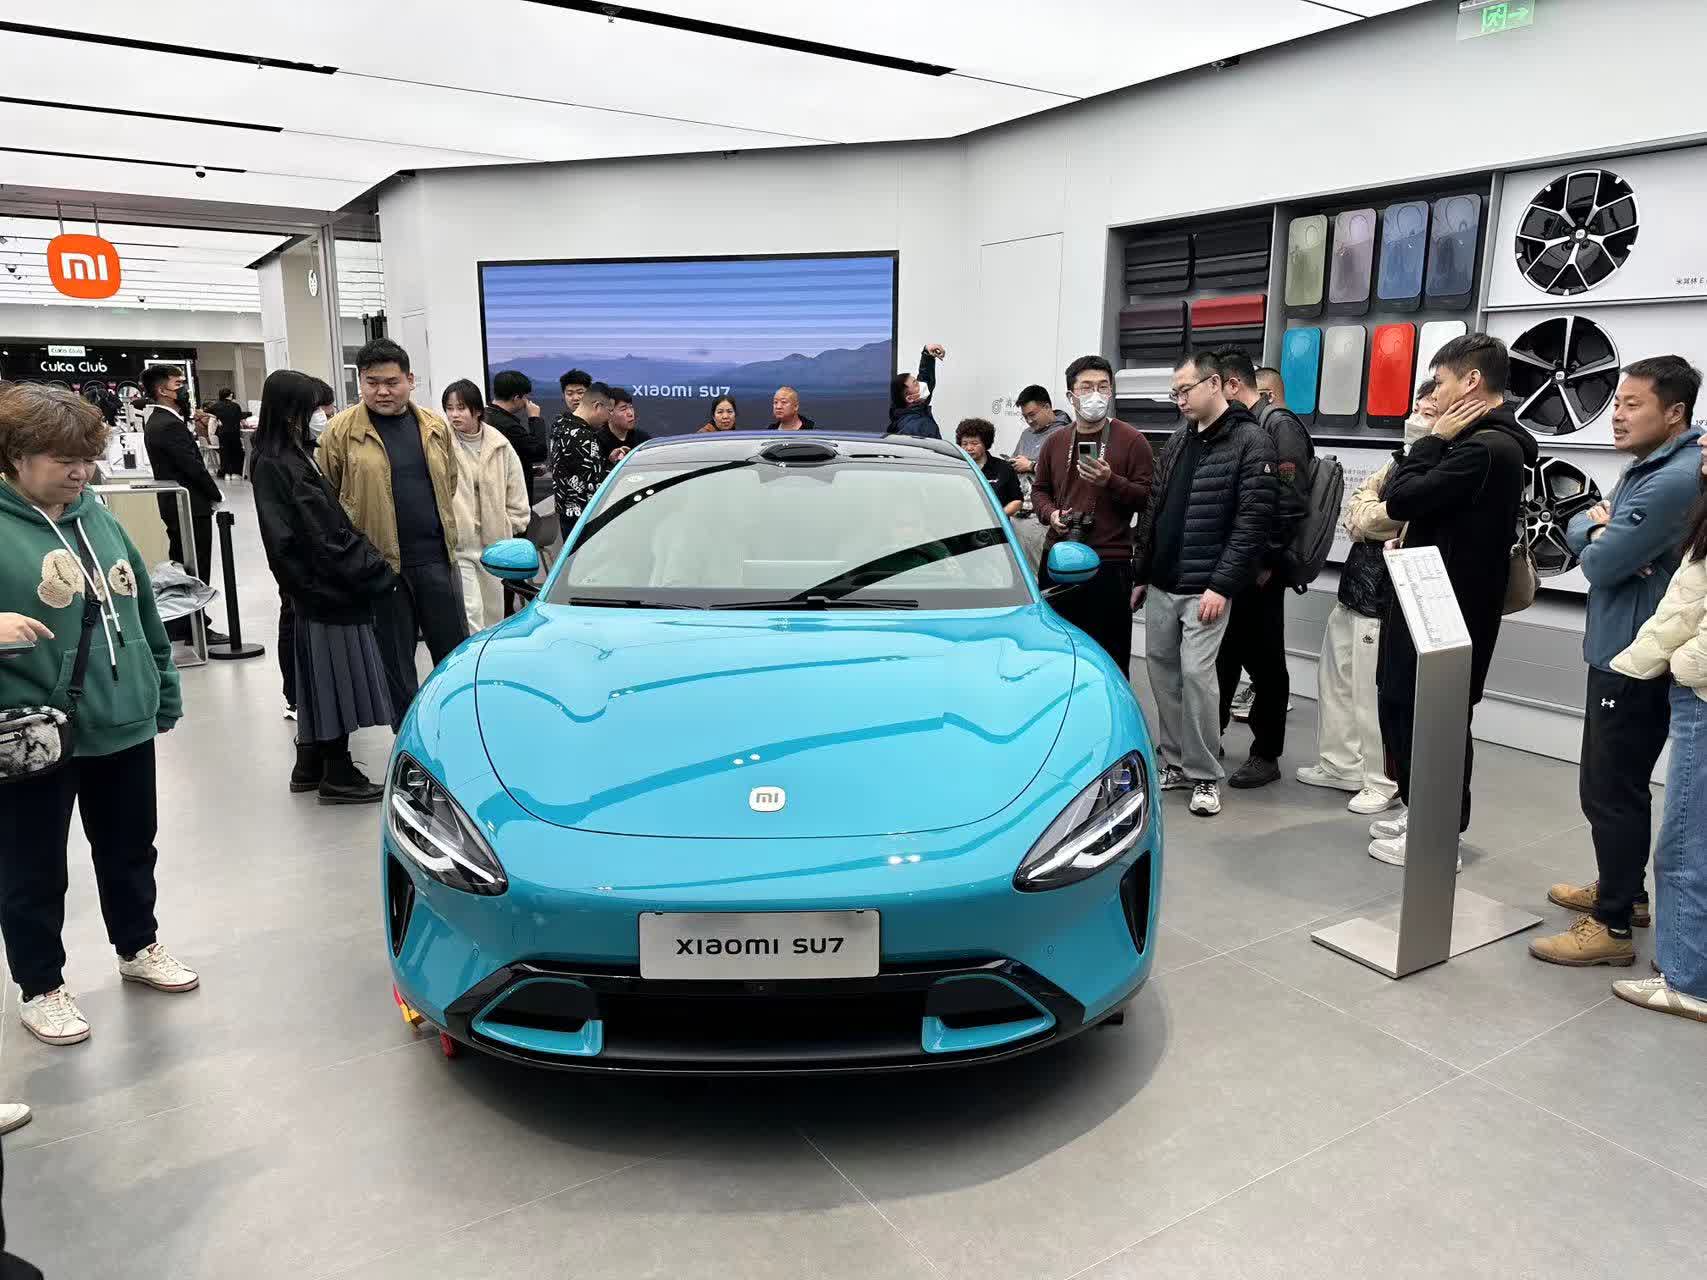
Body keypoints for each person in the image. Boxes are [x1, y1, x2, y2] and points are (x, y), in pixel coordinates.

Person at [0, 383, 198, 1048]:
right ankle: (41, 985)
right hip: (33, 732)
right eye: (64, 459)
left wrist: (162, 686)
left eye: (87, 458)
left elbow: (140, 608)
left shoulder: (100, 518)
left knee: (130, 845)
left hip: (122, 718)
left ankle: (137, 945)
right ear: (16, 456)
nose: (80, 472)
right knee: (32, 866)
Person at [1531, 357, 1704, 967]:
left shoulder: (1673, 479)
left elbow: (1601, 563)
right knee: (1612, 784)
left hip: (1633, 658)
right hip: (1621, 645)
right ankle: (1625, 893)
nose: (1618, 415)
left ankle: (1611, 928)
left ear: (1674, 413)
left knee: (1611, 789)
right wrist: (1598, 529)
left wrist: (1594, 533)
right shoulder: (1653, 466)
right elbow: (1596, 533)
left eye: (1634, 404)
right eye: (1618, 403)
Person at [1371, 333, 1537, 867]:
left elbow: (1400, 497)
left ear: (1471, 381)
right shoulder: (1481, 445)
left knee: (1435, 720)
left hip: (1447, 612)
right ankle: (1423, 813)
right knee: (1408, 710)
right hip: (1430, 603)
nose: (1434, 393)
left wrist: (1430, 440)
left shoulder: (1486, 448)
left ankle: (1440, 837)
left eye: (1440, 382)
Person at [1132, 351, 1276, 818]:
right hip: (1162, 582)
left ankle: (1204, 774)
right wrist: (1140, 574)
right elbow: (1153, 509)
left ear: (1214, 384)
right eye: (1174, 393)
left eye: (1184, 390)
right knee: (1162, 673)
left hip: (1205, 588)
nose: (1179, 400)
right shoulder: (1179, 439)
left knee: (1197, 676)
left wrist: (1222, 585)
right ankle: (1174, 762)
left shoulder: (1251, 441)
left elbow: (1253, 522)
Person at [251, 370, 398, 804]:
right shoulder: (284, 463)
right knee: (336, 681)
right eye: (317, 407)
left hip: (314, 588)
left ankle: (310, 763)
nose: (324, 415)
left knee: (318, 680)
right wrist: (373, 569)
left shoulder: (283, 456)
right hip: (327, 589)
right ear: (292, 411)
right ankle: (338, 772)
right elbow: (321, 533)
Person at [1606, 430, 1707, 1022]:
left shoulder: (1672, 481)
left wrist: (1687, 661)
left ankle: (1687, 978)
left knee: (1686, 843)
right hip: (1686, 683)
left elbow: (1601, 558)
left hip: (1701, 692)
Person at [1298, 383, 1435, 815]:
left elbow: (1392, 515)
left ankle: (1382, 780)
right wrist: (1371, 516)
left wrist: (1371, 517)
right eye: (1416, 408)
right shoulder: (1398, 460)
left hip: (1383, 598)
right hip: (1355, 585)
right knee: (1335, 682)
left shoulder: (1435, 466)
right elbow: (1361, 504)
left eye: (1428, 410)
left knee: (1369, 694)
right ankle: (1340, 764)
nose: (1417, 417)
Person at [316, 338, 467, 721]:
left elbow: (448, 482)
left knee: (453, 654)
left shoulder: (433, 426)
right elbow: (328, 501)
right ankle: (407, 734)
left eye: (391, 382)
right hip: (380, 566)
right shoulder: (340, 432)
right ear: (360, 383)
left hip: (436, 560)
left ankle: (455, 726)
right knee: (395, 663)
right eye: (372, 382)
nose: (382, 391)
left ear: (409, 380)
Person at [1212, 348, 1313, 789]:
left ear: (1233, 385)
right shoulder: (1244, 426)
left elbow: (1288, 499)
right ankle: (1209, 738)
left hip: (1261, 570)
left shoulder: (1279, 425)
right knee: (1225, 656)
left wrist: (1266, 561)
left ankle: (1266, 754)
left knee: (1266, 664)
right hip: (1236, 564)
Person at [1031, 355, 1154, 672]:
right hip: (1059, 557)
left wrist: (1110, 481)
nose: (1095, 395)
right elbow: (1039, 490)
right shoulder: (1055, 441)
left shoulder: (1133, 441)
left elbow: (1148, 499)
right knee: (1056, 652)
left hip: (1109, 563)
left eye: (1103, 387)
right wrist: (1050, 513)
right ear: (1070, 395)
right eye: (1086, 387)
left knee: (1109, 655)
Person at [140, 363, 224, 641]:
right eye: (178, 384)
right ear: (162, 390)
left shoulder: (160, 421)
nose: (184, 389)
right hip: (188, 505)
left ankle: (183, 625)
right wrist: (215, 494)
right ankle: (193, 626)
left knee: (186, 563)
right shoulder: (167, 424)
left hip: (179, 503)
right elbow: (191, 466)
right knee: (194, 566)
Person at [443, 379, 529, 632]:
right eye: (449, 408)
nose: (454, 414)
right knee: (470, 612)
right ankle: (473, 656)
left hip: (494, 544)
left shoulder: (499, 444)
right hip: (460, 544)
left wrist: (511, 524)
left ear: (477, 410)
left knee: (494, 612)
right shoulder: (441, 443)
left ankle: (489, 655)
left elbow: (516, 489)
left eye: (461, 408)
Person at [1010, 385, 1071, 565]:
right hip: (1019, 512)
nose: (1029, 420)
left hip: (1043, 516)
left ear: (1046, 407)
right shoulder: (1026, 434)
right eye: (1025, 416)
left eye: (1032, 414)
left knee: (1038, 569)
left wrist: (1031, 466)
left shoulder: (1065, 433)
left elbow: (1066, 472)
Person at [550, 380, 614, 537]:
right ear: (597, 406)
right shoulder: (583, 437)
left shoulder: (560, 425)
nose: (609, 417)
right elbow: (595, 485)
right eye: (609, 411)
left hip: (567, 515)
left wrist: (605, 461)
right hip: (585, 520)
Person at [484, 370, 548, 501]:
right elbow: (539, 452)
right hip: (512, 499)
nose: (526, 401)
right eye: (525, 397)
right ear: (516, 398)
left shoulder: (484, 417)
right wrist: (535, 418)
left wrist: (529, 469)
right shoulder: (509, 426)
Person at [955, 418, 1022, 516]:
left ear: (985, 444)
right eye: (964, 444)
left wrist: (997, 517)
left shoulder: (1004, 468)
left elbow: (1017, 501)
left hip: (995, 523)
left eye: (974, 443)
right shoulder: (956, 468)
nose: (969, 448)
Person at [889, 344, 947, 439]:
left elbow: (926, 379)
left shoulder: (904, 415)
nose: (921, 384)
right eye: (916, 383)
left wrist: (927, 355)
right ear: (910, 398)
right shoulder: (921, 427)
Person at [599, 387, 650, 468]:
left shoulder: (643, 439)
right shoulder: (597, 441)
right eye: (623, 409)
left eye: (631, 407)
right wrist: (610, 463)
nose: (630, 413)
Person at [208, 388, 251, 479]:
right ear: (230, 395)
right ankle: (236, 473)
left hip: (223, 433)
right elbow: (241, 419)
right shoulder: (236, 406)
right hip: (234, 432)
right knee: (236, 452)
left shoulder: (216, 406)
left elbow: (205, 412)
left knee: (224, 453)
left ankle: (226, 473)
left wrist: (217, 418)